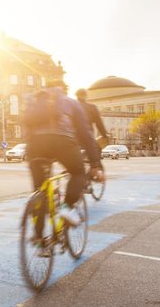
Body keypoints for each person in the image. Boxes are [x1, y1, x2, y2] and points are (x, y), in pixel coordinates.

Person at [23, 80, 103, 227]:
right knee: (78, 172)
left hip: (35, 145)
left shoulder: (34, 101)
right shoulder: (71, 103)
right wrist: (94, 164)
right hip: (62, 141)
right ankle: (67, 207)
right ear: (63, 89)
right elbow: (85, 135)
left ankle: (40, 242)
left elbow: (25, 126)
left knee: (40, 190)